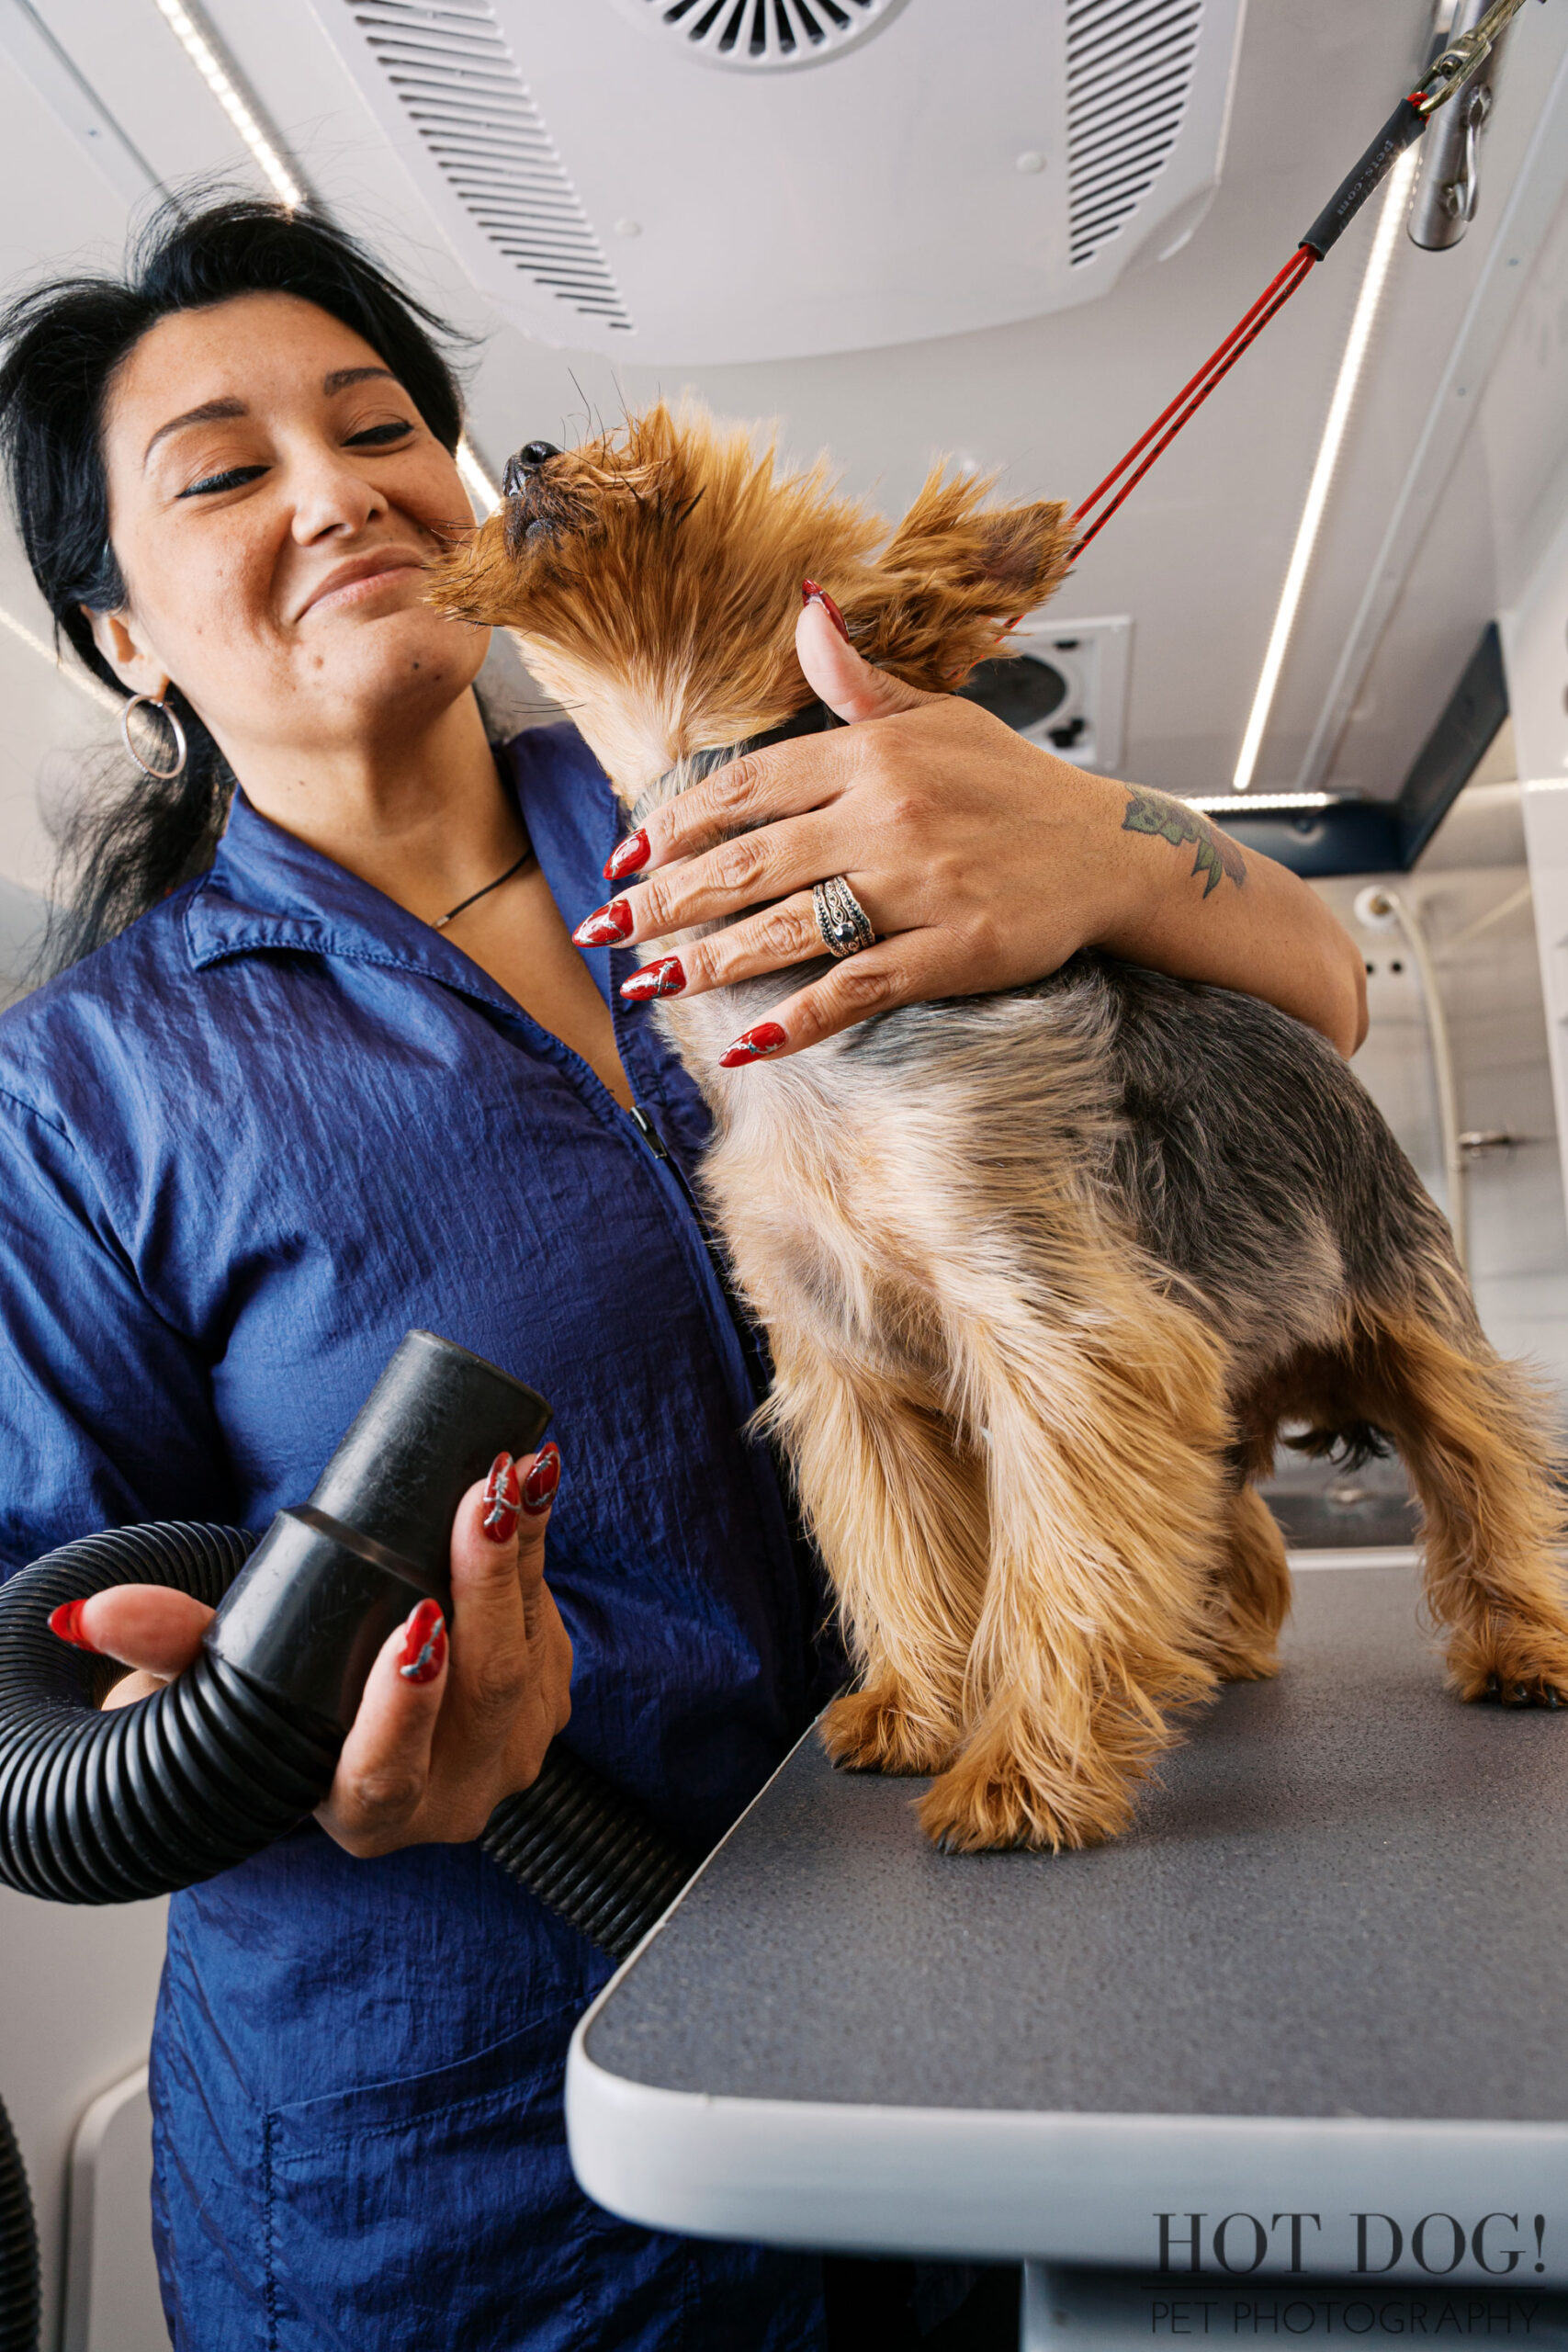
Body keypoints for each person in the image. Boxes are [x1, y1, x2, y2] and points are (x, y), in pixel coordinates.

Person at [0, 198, 1366, 2350]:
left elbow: (1319, 975)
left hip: (972, 2000)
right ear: (122, 638)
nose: (339, 489)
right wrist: (281, 1722)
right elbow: (47, 1686)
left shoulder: (804, 800)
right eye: (227, 471)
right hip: (465, 2168)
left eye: (381, 432)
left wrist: (1103, 843)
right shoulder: (85, 1096)